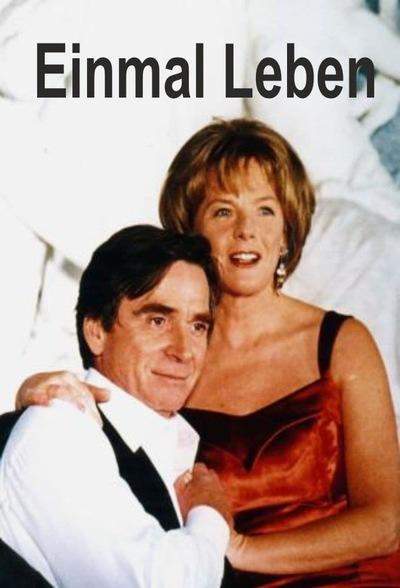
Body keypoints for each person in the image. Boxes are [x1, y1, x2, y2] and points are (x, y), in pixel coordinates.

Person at [17, 119, 400, 586]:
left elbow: (386, 522)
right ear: (192, 232)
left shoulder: (341, 342)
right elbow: (100, 415)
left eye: (265, 210)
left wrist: (237, 548)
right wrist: (31, 392)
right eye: (223, 212)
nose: (246, 231)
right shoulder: (173, 359)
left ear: (286, 232)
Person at [0, 225, 233, 587]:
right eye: (158, 320)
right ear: (96, 331)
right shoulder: (59, 431)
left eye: (197, 326)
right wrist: (210, 515)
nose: (184, 350)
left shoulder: (173, 445)